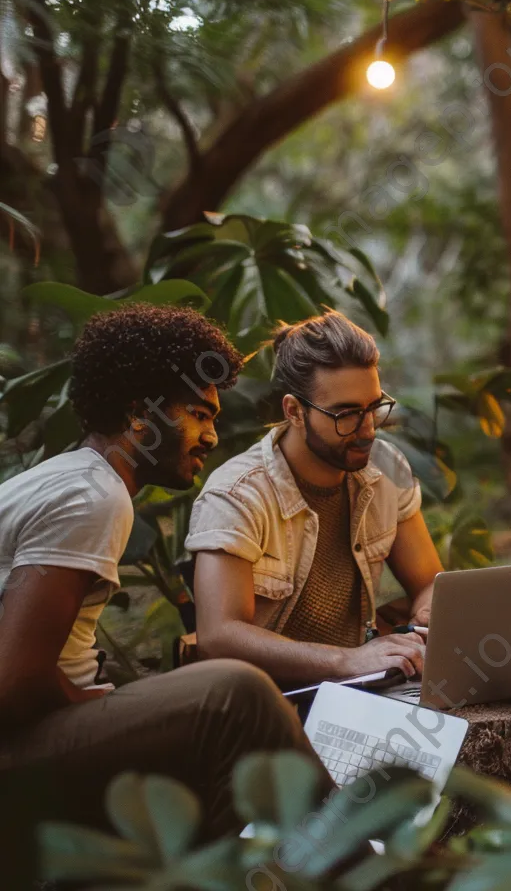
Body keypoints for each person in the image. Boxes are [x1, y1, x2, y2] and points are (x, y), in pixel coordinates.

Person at [0, 304, 332, 848]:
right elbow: (14, 685)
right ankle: (368, 874)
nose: (210, 437)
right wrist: (97, 703)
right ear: (139, 413)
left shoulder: (72, 478)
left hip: (31, 734)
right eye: (198, 415)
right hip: (16, 749)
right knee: (236, 692)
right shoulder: (91, 495)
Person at [188, 309, 442, 688]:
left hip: (357, 689)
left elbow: (429, 581)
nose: (367, 430)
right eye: (346, 414)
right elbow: (218, 636)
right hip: (267, 703)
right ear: (294, 411)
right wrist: (346, 660)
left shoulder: (387, 468)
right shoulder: (237, 494)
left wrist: (428, 607)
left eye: (373, 407)